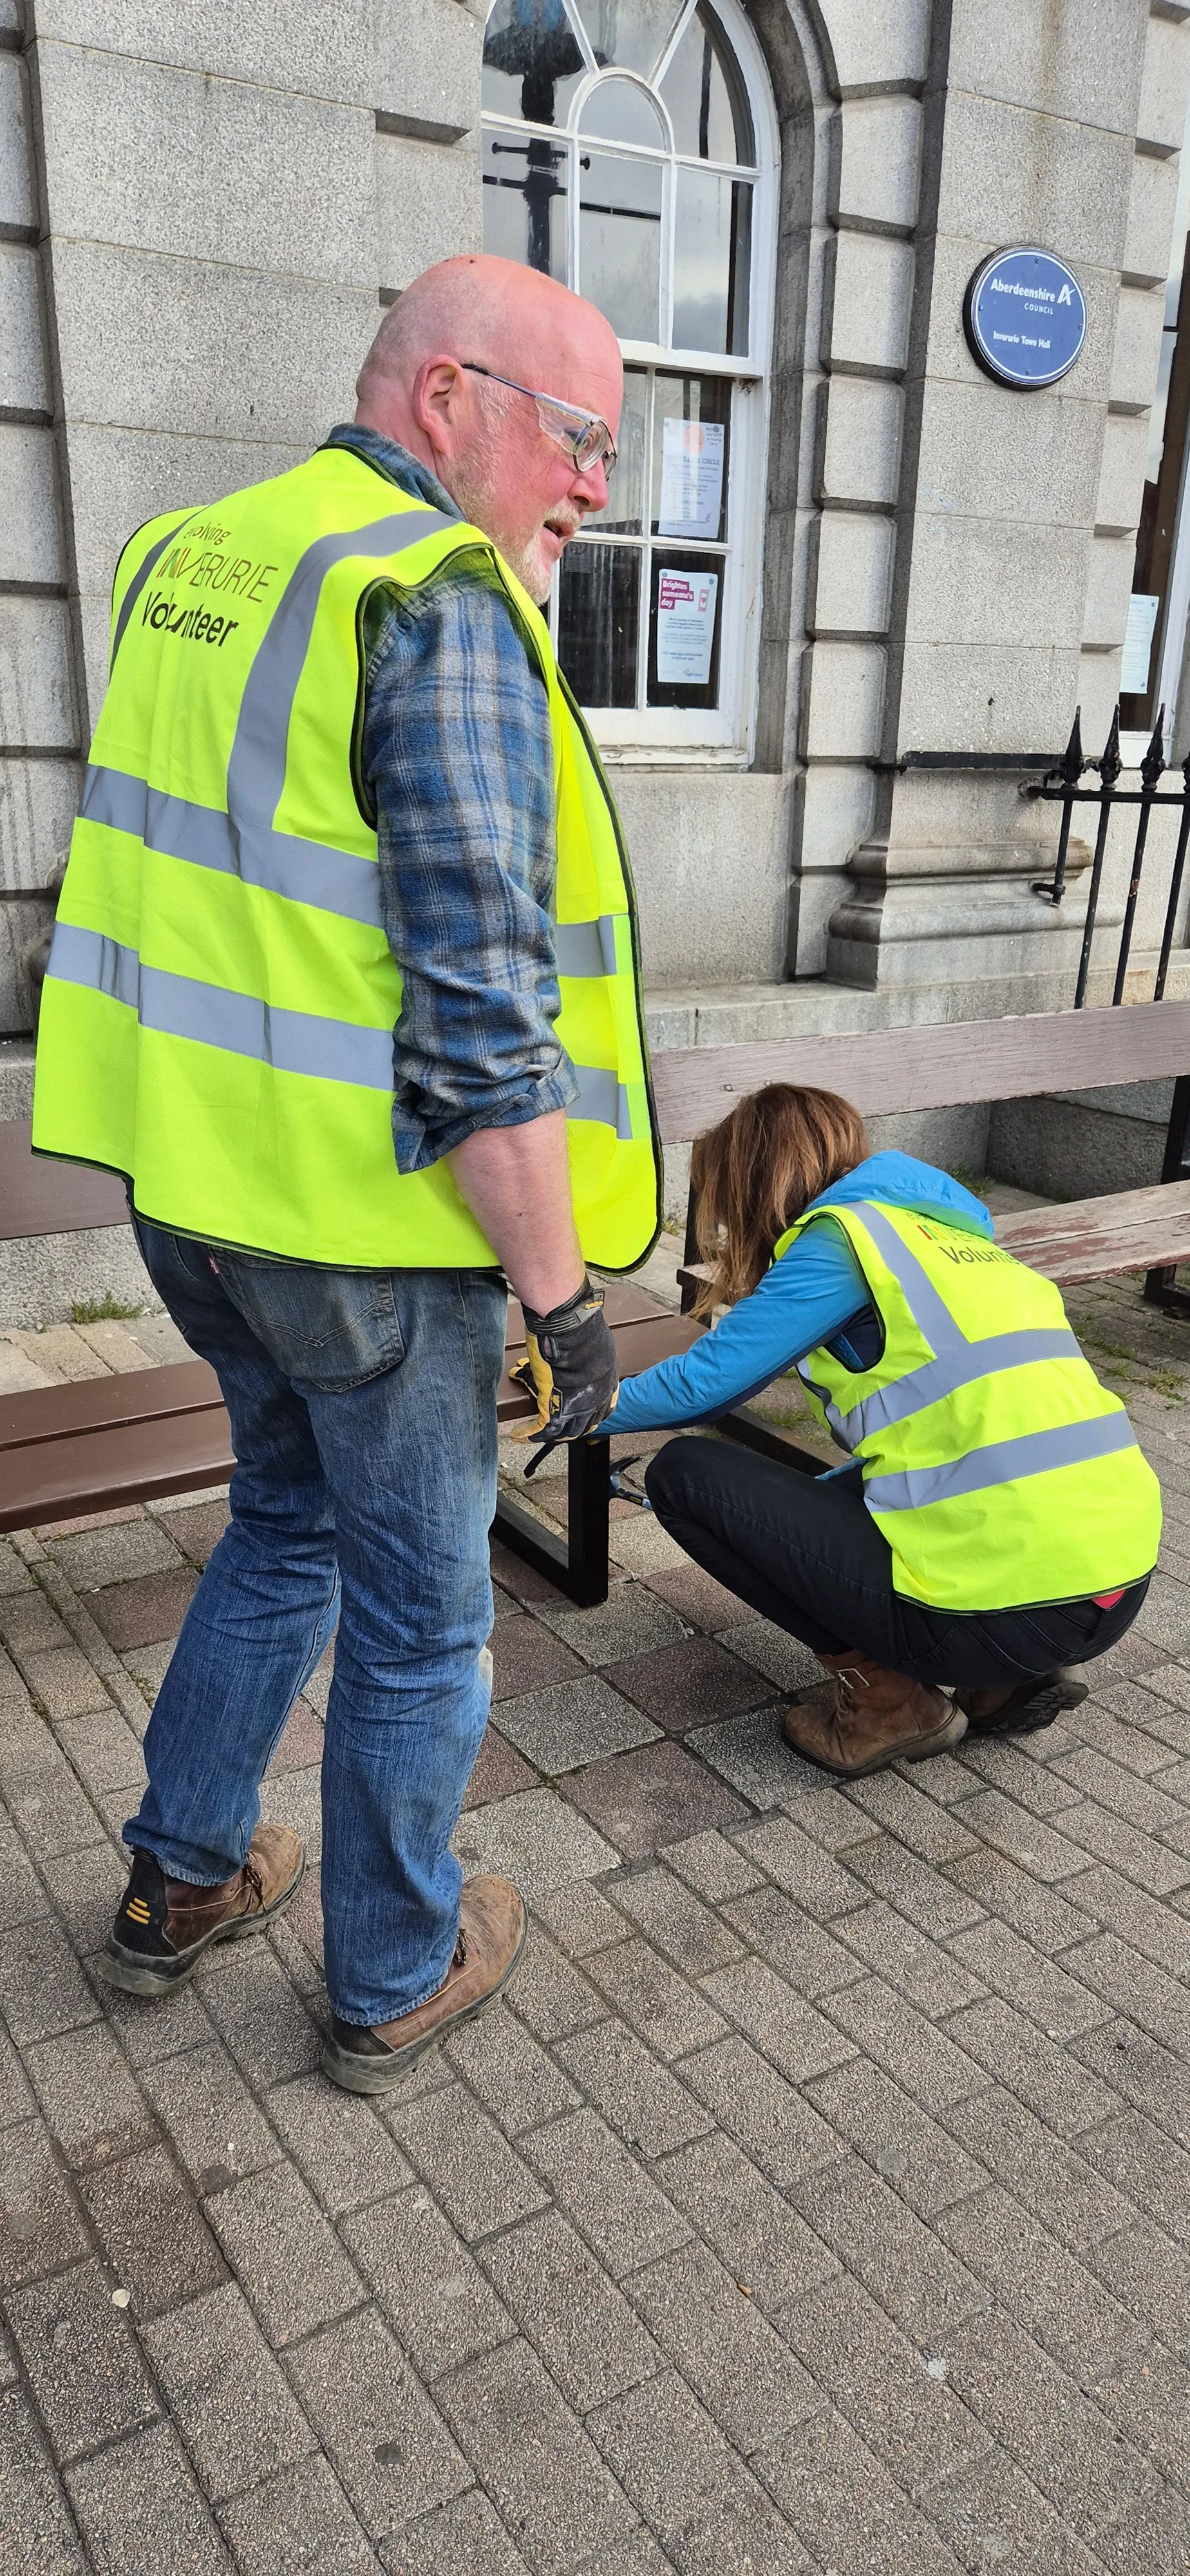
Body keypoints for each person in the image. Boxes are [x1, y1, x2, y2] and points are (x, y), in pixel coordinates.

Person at [31, 254, 661, 2090]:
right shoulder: (436, 603)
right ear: (449, 400)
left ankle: (182, 1876)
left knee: (281, 1526)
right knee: (422, 1609)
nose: (599, 487)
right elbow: (480, 1035)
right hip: (365, 1243)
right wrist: (564, 1300)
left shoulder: (200, 558)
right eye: (580, 437)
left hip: (190, 1198)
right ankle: (392, 1970)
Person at [607, 1084, 1161, 1779]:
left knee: (685, 1476)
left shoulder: (842, 1239)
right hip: (1117, 1579)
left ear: (754, 1180)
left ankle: (891, 1708)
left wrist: (574, 1407)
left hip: (1018, 1604)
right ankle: (1011, 1679)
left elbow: (707, 1383)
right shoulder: (952, 1238)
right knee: (845, 1489)